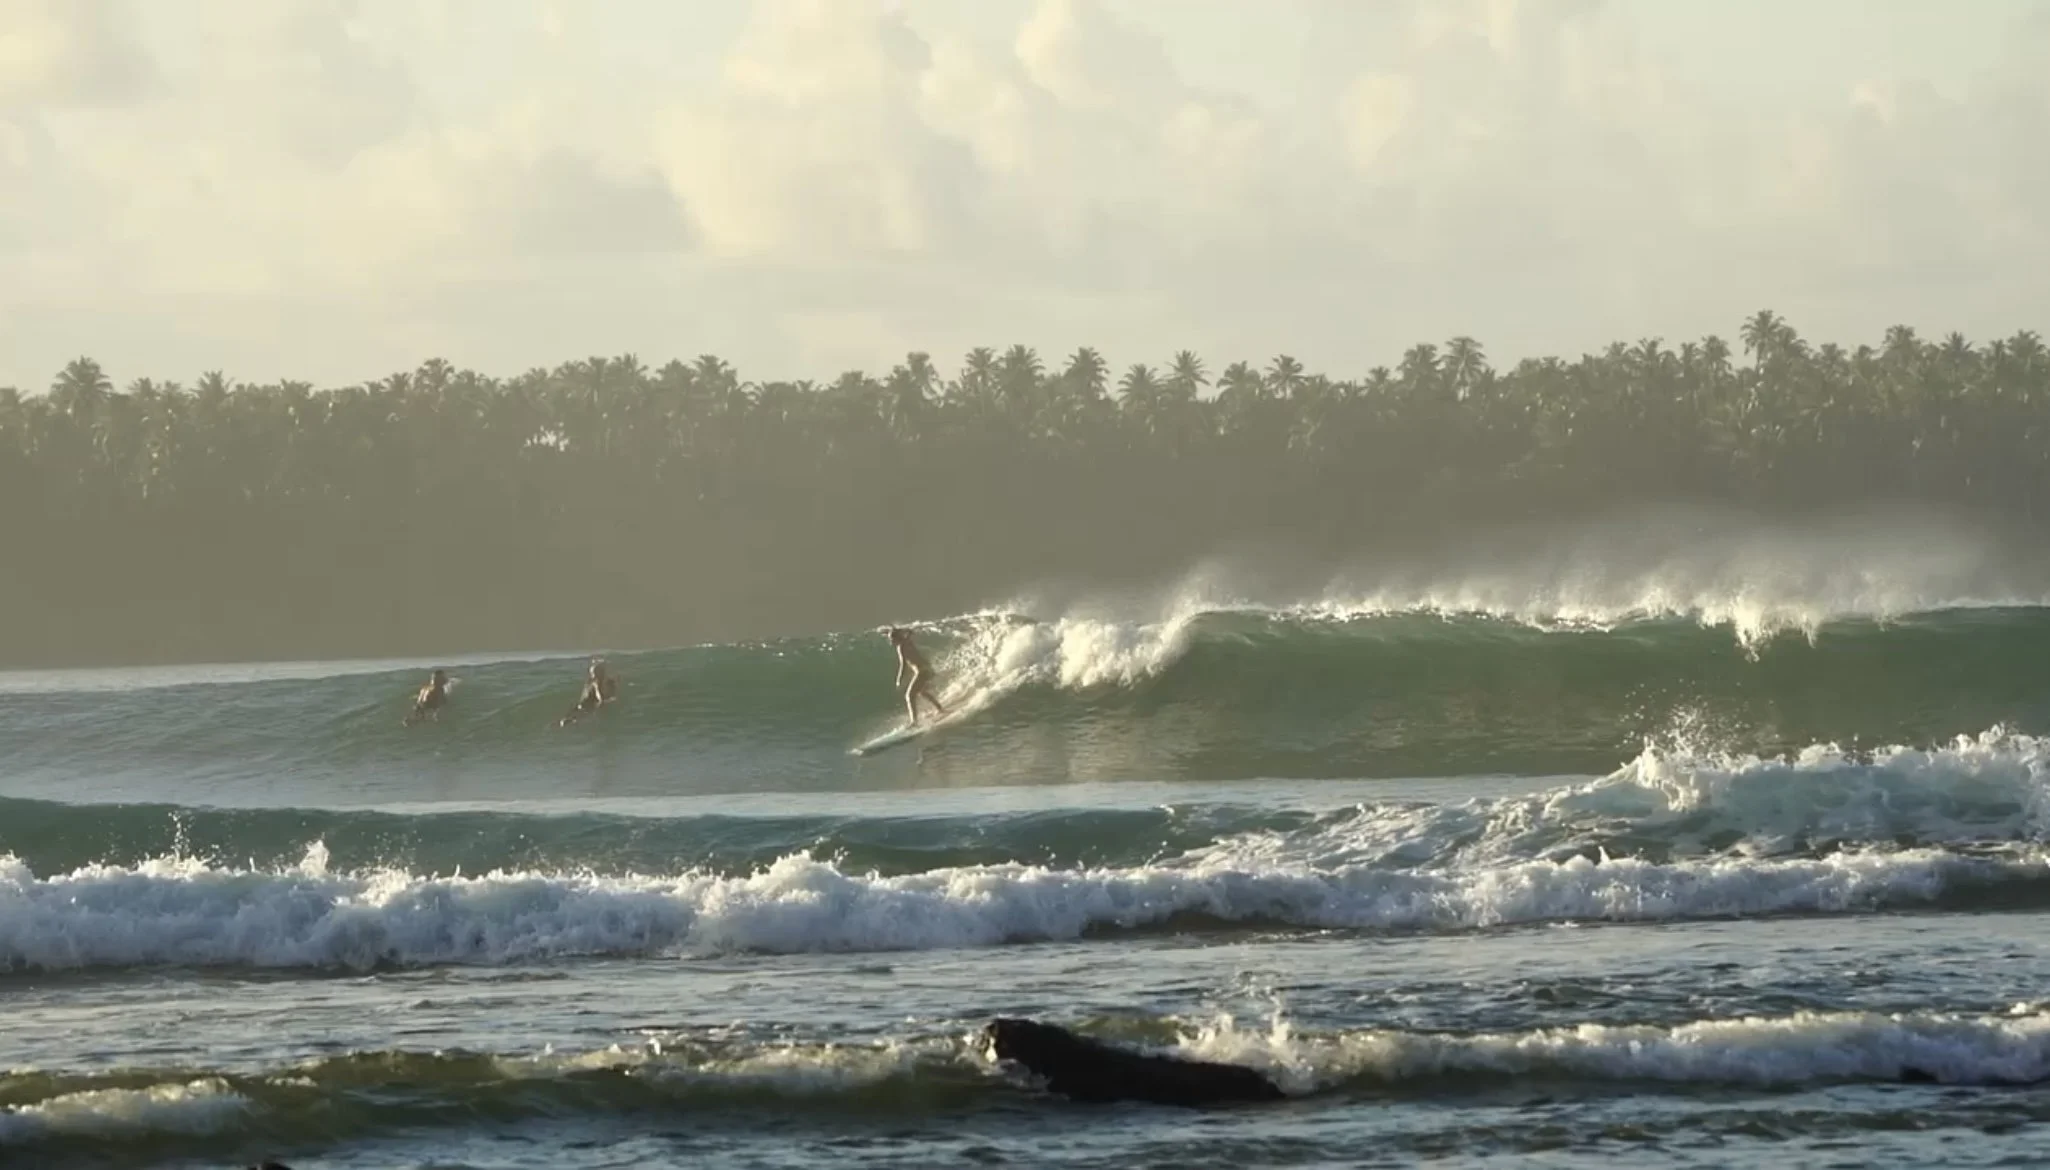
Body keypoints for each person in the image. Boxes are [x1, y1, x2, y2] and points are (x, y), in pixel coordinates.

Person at [890, 627, 946, 724]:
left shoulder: (900, 647)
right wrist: (900, 630)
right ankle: (940, 709)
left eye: (892, 638)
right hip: (927, 669)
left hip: (921, 671)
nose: (891, 641)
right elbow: (910, 631)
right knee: (922, 692)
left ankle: (914, 722)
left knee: (909, 696)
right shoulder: (907, 641)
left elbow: (903, 665)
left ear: (897, 638)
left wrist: (899, 679)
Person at [558, 657, 620, 727]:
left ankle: (562, 723)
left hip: (581, 704)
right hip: (587, 705)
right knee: (576, 719)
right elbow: (599, 698)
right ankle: (565, 723)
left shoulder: (591, 682)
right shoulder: (595, 683)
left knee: (572, 716)